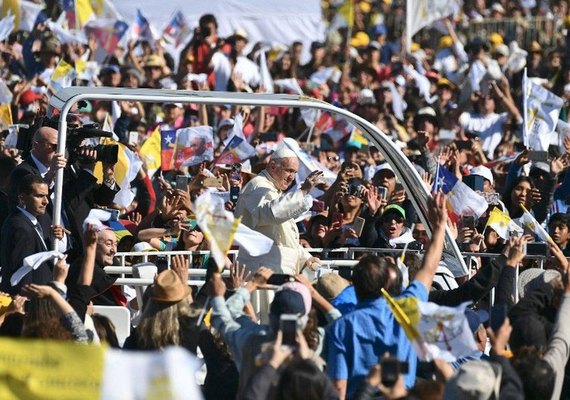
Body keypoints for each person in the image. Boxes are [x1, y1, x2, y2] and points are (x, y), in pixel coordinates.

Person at [326, 192, 446, 399]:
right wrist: (439, 227)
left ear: (355, 286)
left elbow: (338, 386)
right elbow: (429, 268)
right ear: (387, 283)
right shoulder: (407, 308)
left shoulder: (341, 326)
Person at [234, 147, 322, 275]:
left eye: (295, 172)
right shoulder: (258, 186)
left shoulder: (274, 190)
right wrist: (302, 191)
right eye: (289, 171)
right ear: (273, 167)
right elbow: (271, 213)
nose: (292, 177)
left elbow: (285, 237)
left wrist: (306, 257)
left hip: (275, 268)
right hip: (261, 268)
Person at [0, 174, 64, 294]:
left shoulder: (28, 222)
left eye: (47, 196)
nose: (46, 201)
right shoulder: (20, 227)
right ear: (22, 198)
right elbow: (21, 272)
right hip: (28, 302)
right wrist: (23, 304)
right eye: (39, 196)